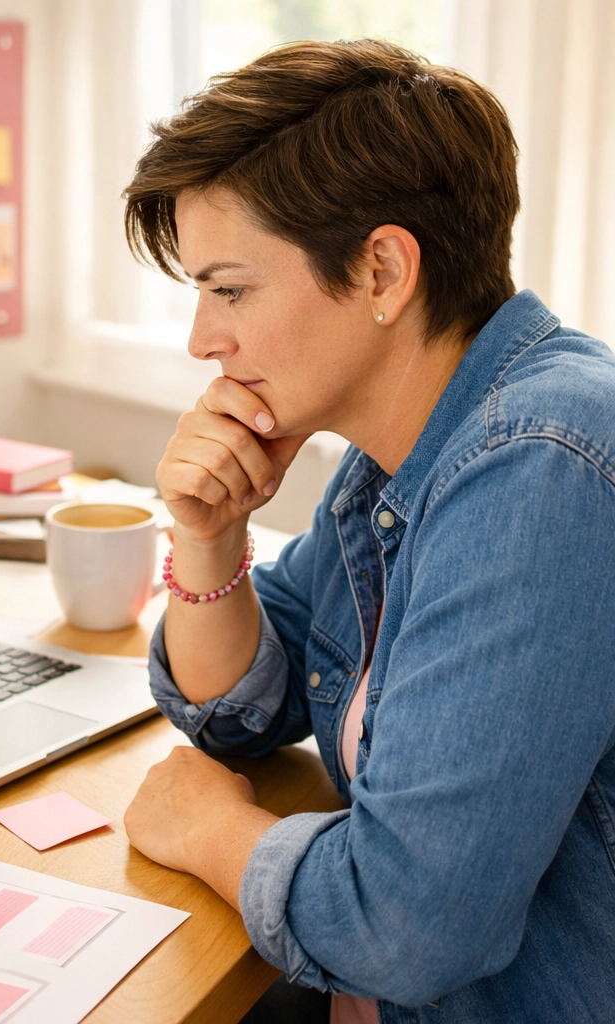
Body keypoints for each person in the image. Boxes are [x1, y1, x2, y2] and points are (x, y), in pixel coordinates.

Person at [121, 39, 615, 1024]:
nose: (200, 339)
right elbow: (243, 712)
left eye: (229, 288)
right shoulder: (403, 449)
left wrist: (212, 830)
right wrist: (209, 534)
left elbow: (407, 924)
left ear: (382, 270)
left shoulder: (538, 461)